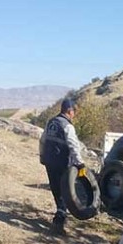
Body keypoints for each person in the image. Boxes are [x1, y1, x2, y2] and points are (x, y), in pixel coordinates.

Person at [39, 98, 85, 236]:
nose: (74, 115)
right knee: (64, 191)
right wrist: (80, 163)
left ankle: (59, 212)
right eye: (74, 112)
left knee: (55, 188)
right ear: (69, 111)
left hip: (49, 161)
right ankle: (59, 221)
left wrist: (42, 156)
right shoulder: (67, 126)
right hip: (61, 163)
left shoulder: (51, 122)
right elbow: (73, 146)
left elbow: (42, 140)